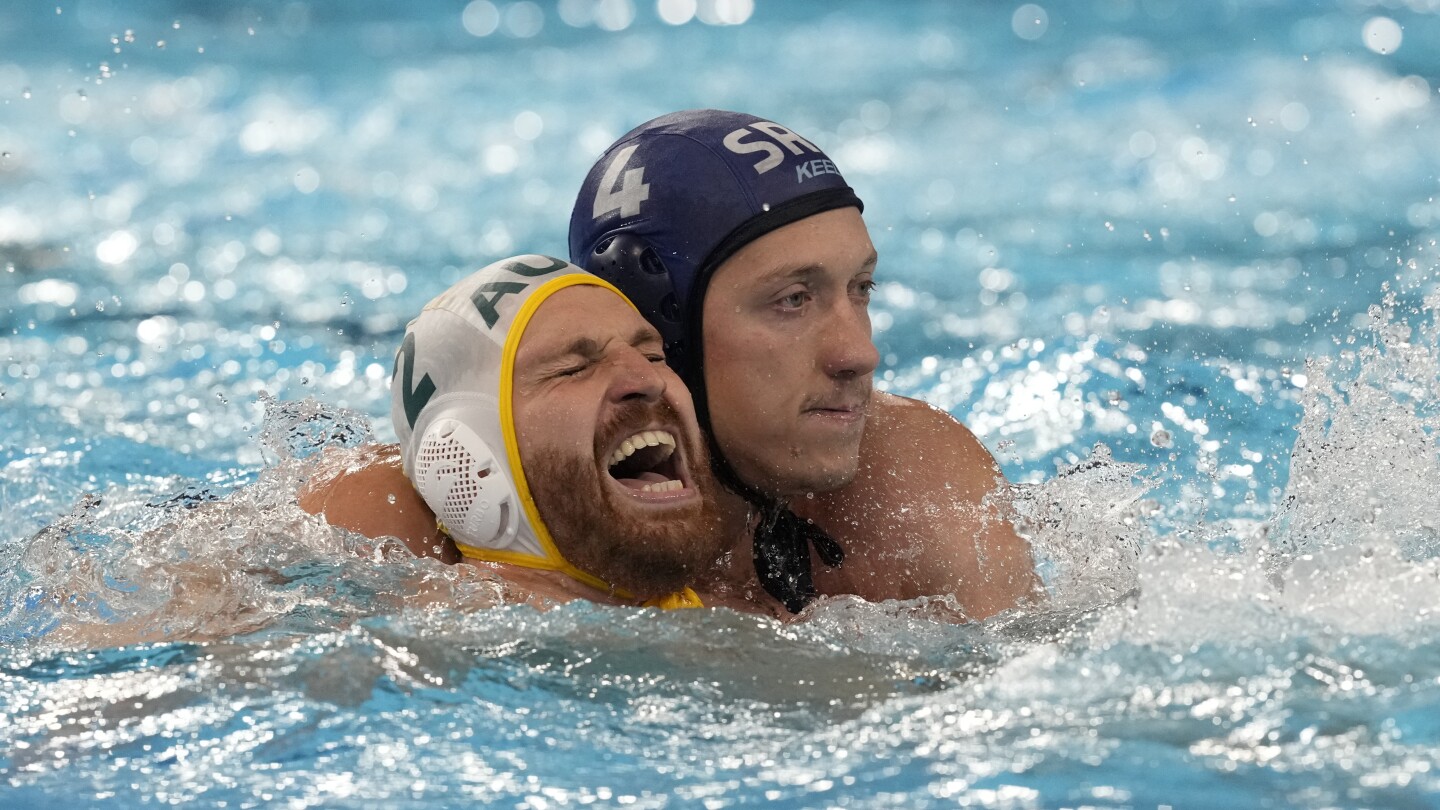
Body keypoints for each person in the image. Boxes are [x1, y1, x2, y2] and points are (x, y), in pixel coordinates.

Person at [568, 109, 1041, 618]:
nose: (860, 355)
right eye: (792, 299)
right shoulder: (531, 540)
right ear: (660, 336)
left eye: (861, 289)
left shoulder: (917, 486)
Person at [301, 254, 778, 615]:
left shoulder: (752, 605)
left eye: (653, 355)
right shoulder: (436, 648)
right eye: (573, 369)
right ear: (466, 453)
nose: (647, 380)